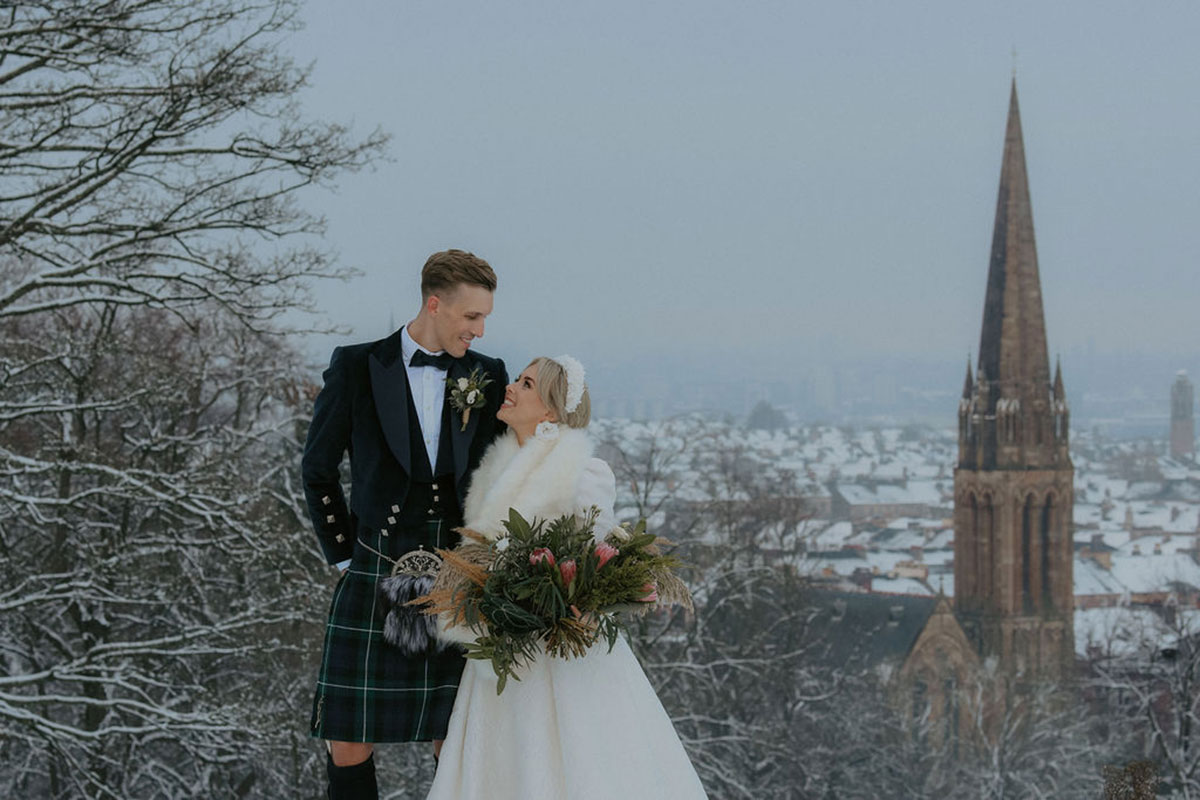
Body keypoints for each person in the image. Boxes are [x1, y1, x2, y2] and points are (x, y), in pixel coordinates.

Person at [426, 356, 708, 800]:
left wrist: (559, 599)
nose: (512, 387)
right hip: (500, 651)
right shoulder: (493, 469)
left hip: (562, 651)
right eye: (518, 379)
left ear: (551, 411)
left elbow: (596, 560)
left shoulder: (581, 472)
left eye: (526, 383)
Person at [302, 249, 509, 800]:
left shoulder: (487, 375)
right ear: (435, 304)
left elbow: (502, 469)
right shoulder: (357, 365)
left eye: (485, 317)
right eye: (472, 317)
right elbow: (318, 468)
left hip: (456, 572)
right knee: (346, 740)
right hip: (375, 565)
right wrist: (346, 555)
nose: (480, 329)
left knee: (454, 733)